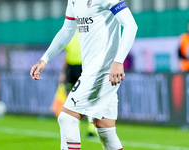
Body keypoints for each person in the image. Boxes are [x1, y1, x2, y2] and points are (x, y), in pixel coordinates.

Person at [30, 0, 137, 149]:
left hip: (103, 70)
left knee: (67, 118)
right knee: (105, 129)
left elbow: (131, 24)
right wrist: (45, 58)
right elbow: (67, 30)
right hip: (91, 70)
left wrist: (118, 61)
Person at [52, 29, 96, 137]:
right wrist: (63, 72)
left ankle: (91, 128)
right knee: (72, 98)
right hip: (72, 69)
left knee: (86, 97)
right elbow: (66, 55)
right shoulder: (71, 32)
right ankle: (76, 127)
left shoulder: (86, 31)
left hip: (83, 67)